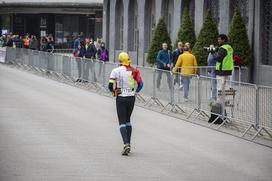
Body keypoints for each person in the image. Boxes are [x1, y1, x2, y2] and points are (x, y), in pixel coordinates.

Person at [108, 52, 143, 156]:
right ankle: (129, 143)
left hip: (121, 98)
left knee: (122, 122)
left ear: (119, 61)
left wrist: (115, 93)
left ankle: (125, 143)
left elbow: (110, 86)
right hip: (131, 97)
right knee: (128, 120)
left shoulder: (115, 71)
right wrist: (135, 92)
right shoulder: (134, 70)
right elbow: (141, 84)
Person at [215, 34, 234, 101]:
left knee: (220, 88)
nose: (218, 40)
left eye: (219, 39)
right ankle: (225, 101)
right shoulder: (230, 48)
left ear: (223, 40)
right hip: (228, 70)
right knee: (225, 87)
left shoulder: (222, 48)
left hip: (221, 70)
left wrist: (214, 54)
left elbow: (218, 59)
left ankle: (219, 103)